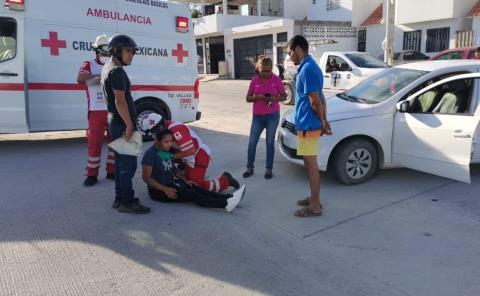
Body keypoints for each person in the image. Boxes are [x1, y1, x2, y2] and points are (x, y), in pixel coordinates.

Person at [101, 34, 150, 214]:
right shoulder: (117, 72)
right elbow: (120, 101)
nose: (131, 55)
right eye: (128, 51)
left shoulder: (109, 67)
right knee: (127, 166)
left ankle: (119, 199)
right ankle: (127, 202)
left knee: (121, 163)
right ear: (116, 51)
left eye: (133, 52)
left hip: (115, 122)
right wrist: (129, 125)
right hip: (122, 124)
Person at [142, 129, 246, 212]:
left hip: (171, 183)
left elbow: (172, 168)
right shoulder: (150, 154)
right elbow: (146, 178)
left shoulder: (164, 151)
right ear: (157, 142)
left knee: (195, 187)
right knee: (192, 195)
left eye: (171, 141)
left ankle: (230, 197)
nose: (169, 144)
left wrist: (184, 179)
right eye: (166, 142)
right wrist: (165, 189)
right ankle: (226, 204)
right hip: (158, 191)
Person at [287, 35, 332, 218]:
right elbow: (320, 97)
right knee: (308, 164)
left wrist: (322, 123)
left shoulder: (307, 70)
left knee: (311, 165)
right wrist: (325, 120)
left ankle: (314, 206)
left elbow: (315, 101)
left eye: (290, 52)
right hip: (308, 124)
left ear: (298, 49)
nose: (290, 56)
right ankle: (314, 198)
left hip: (308, 125)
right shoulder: (310, 67)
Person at [140, 113, 241, 193]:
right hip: (187, 157)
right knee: (185, 181)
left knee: (196, 186)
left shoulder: (176, 130)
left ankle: (226, 180)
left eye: (153, 132)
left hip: (198, 156)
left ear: (159, 127)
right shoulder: (165, 130)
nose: (153, 135)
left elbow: (191, 151)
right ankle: (186, 170)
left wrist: (170, 156)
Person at [78, 34, 115, 187]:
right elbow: (81, 77)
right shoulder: (89, 64)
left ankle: (112, 171)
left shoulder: (115, 65)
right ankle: (92, 174)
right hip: (96, 111)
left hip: (113, 110)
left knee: (115, 142)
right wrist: (99, 75)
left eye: (109, 52)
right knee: (94, 143)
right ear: (97, 50)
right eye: (104, 51)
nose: (106, 55)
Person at [243, 56, 287, 179]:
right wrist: (259, 97)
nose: (266, 73)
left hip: (272, 116)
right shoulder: (254, 81)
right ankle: (249, 168)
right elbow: (248, 98)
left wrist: (274, 98)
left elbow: (284, 96)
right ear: (259, 68)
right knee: (252, 143)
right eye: (264, 70)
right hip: (257, 117)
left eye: (269, 70)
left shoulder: (277, 80)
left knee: (269, 143)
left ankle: (269, 169)